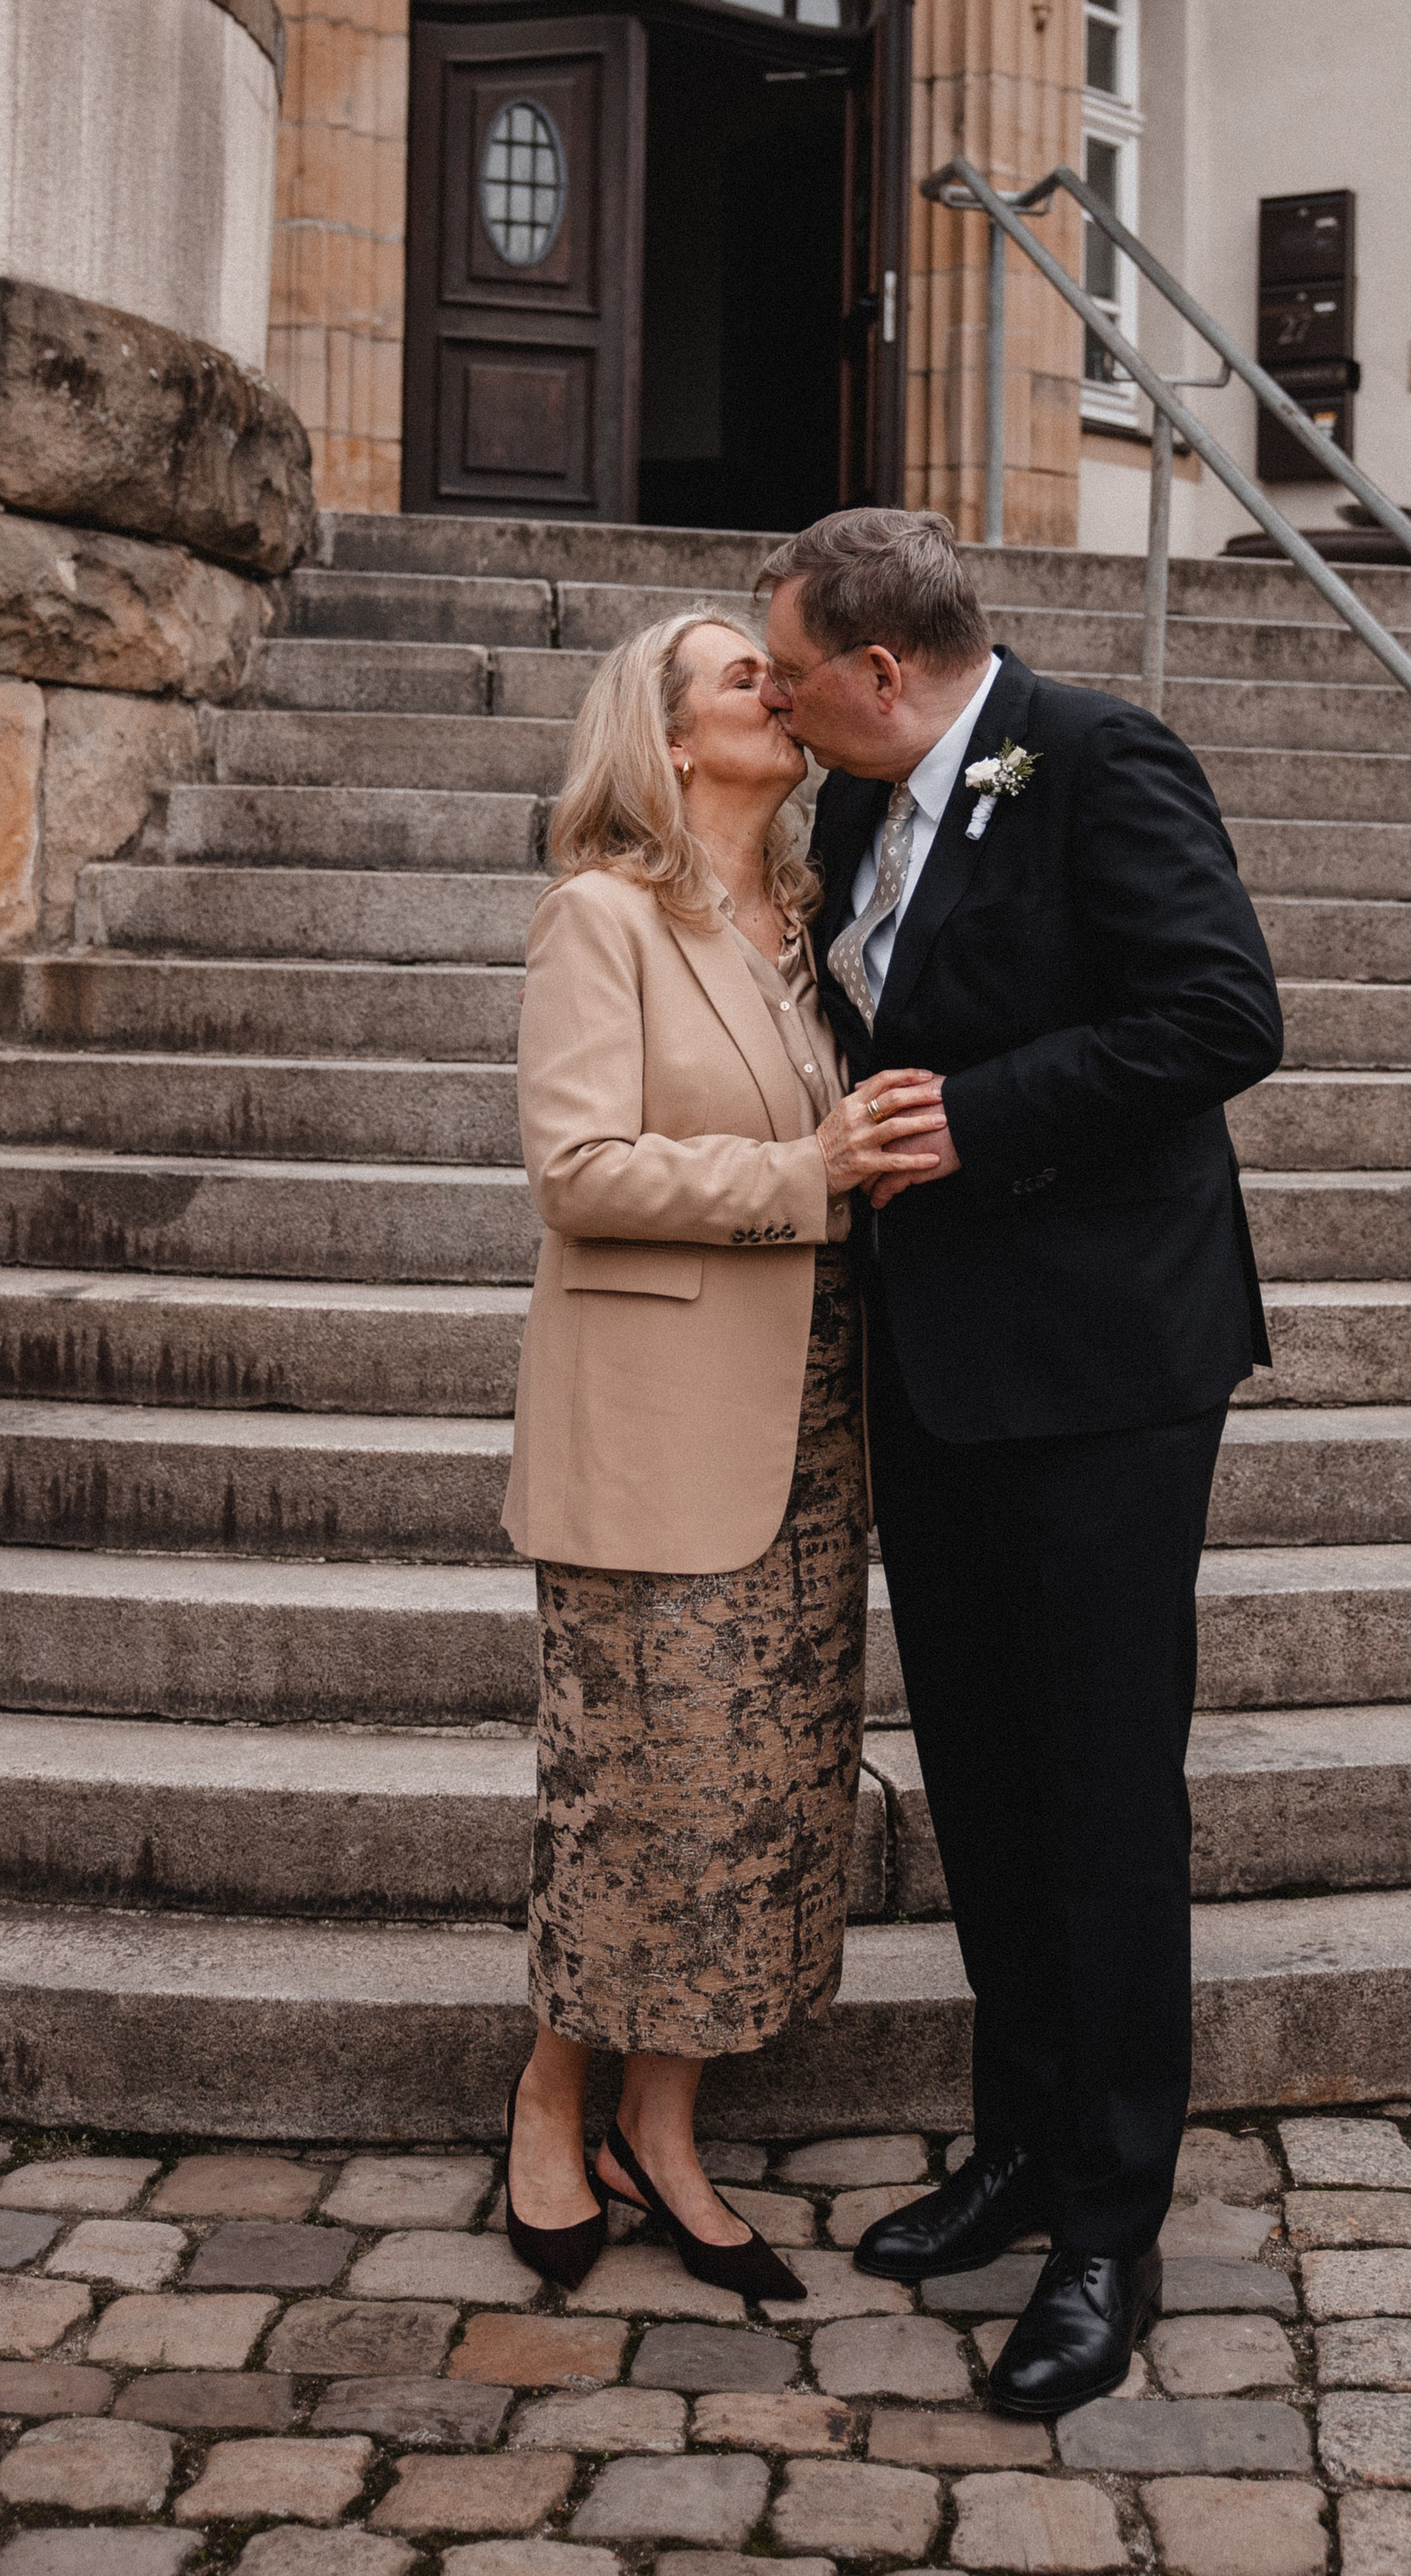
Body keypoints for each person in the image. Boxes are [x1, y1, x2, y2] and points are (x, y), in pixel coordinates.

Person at [756, 507, 1284, 2417]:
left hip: (1102, 1374)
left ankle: (1108, 2225)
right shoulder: (850, 811)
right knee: (982, 1776)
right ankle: (1020, 2143)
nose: (782, 710)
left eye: (793, 679)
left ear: (881, 673)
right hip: (939, 1368)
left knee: (1097, 1793)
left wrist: (976, 1120)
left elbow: (1223, 1016)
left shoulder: (1099, 756)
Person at [500, 607, 951, 2298]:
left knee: (759, 1806)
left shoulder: (811, 931)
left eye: (780, 671)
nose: (784, 685)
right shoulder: (600, 917)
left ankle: (663, 2131)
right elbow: (581, 1170)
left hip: (812, 1443)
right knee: (634, 1803)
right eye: (742, 675)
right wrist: (810, 1174)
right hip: (653, 1444)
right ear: (672, 737)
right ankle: (553, 2098)